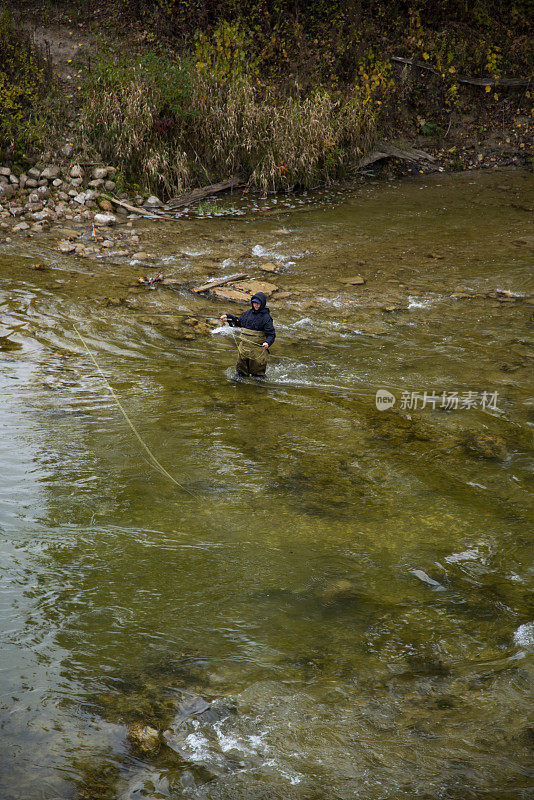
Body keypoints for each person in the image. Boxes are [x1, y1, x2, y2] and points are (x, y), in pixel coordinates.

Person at [220, 292, 276, 377]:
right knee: (240, 372)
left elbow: (271, 334)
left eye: (258, 304)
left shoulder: (266, 318)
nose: (256, 305)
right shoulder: (248, 313)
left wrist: (267, 343)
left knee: (258, 375)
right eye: (254, 303)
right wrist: (228, 318)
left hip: (257, 351)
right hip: (244, 349)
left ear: (262, 304)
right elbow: (239, 322)